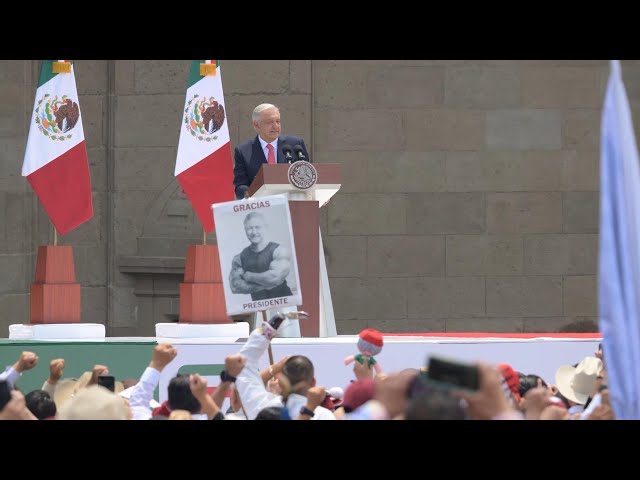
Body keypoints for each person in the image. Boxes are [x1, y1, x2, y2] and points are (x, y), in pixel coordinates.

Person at [233, 103, 310, 199]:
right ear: (256, 125)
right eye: (269, 122)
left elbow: (308, 176)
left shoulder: (295, 145)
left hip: (293, 206)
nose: (275, 126)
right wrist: (249, 195)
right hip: (261, 207)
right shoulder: (243, 151)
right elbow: (240, 185)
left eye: (278, 121)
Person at [230, 211, 293, 301]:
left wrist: (250, 277)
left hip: (285, 304)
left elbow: (275, 277)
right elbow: (235, 286)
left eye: (258, 227)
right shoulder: (239, 258)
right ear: (245, 230)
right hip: (259, 308)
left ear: (266, 227)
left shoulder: (279, 250)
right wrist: (267, 283)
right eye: (249, 228)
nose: (254, 232)